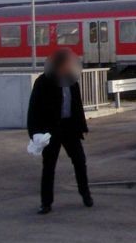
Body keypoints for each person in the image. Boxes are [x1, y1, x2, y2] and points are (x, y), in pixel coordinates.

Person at [27, 48, 92, 215]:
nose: (70, 66)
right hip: (51, 130)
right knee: (49, 166)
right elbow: (34, 109)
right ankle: (46, 203)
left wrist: (82, 127)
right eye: (67, 64)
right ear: (59, 64)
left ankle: (85, 194)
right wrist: (34, 132)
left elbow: (77, 106)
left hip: (70, 128)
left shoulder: (72, 81)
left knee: (80, 161)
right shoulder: (43, 82)